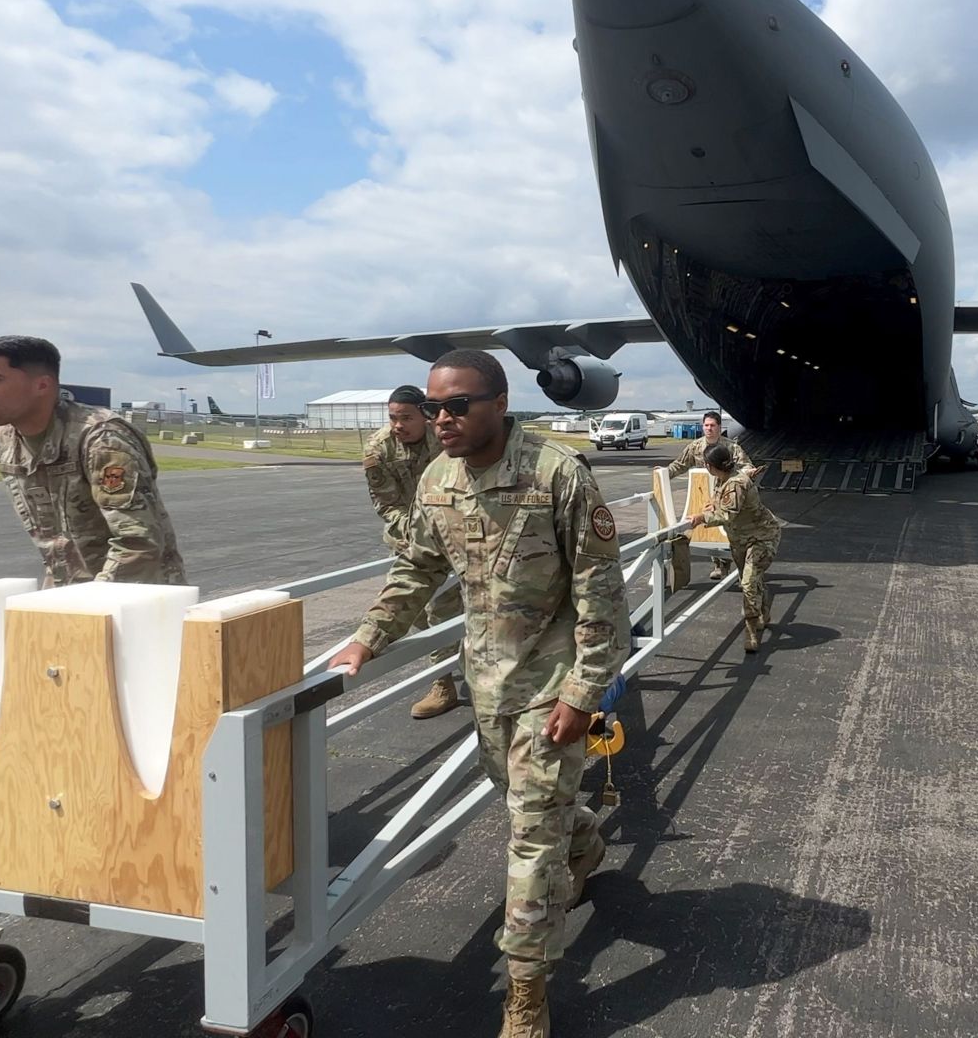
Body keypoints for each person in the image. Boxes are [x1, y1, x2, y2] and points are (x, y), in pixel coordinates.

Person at [326, 349, 623, 1038]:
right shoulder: (436, 479)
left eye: (457, 405)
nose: (442, 419)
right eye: (433, 408)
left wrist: (584, 691)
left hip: (551, 686)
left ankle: (526, 991)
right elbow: (417, 570)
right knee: (526, 804)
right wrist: (368, 637)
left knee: (528, 841)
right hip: (486, 684)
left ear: (499, 403)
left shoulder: (557, 473)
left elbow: (600, 592)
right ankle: (583, 838)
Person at [0, 335, 185, 586]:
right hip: (69, 594)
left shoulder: (101, 438)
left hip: (137, 598)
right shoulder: (4, 441)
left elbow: (138, 543)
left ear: (42, 386)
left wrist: (87, 606)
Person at [361, 384, 467, 718]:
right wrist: (415, 530)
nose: (398, 425)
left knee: (446, 609)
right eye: (393, 418)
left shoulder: (446, 437)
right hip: (408, 538)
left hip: (456, 530)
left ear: (424, 415)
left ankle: (450, 676)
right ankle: (448, 671)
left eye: (405, 417)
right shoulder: (379, 448)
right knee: (419, 612)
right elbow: (385, 503)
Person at [684, 443, 782, 654]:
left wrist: (702, 518)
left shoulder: (736, 483)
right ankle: (763, 607)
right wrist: (710, 504)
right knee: (751, 580)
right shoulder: (723, 478)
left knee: (747, 582)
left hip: (762, 537)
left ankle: (751, 631)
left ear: (710, 466)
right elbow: (718, 500)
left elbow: (727, 514)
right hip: (739, 540)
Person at [664, 411, 750, 580]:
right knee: (707, 529)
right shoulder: (695, 447)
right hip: (703, 494)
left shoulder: (731, 447)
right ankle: (719, 565)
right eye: (706, 425)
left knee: (731, 532)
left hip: (725, 494)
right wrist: (663, 474)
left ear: (719, 427)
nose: (709, 428)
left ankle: (742, 573)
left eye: (712, 425)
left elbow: (746, 466)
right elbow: (680, 465)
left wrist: (740, 480)